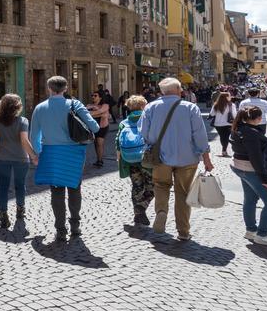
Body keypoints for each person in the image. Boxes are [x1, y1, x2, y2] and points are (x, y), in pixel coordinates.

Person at [139, 77, 213, 240]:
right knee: (183, 192)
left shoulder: (151, 107)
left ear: (161, 92)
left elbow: (143, 134)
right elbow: (200, 136)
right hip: (187, 158)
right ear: (179, 91)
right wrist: (206, 158)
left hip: (160, 158)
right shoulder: (190, 108)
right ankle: (183, 231)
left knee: (161, 186)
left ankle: (162, 211)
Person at [30, 76, 99, 242]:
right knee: (75, 188)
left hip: (51, 153)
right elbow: (95, 127)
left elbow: (34, 136)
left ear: (49, 88)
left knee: (57, 191)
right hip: (74, 153)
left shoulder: (40, 108)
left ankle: (60, 229)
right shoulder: (75, 104)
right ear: (65, 89)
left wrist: (38, 153)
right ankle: (75, 226)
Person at [230, 105, 267, 247]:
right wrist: (265, 179)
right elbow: (255, 158)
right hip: (251, 170)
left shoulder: (238, 128)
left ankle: (251, 230)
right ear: (256, 118)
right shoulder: (251, 133)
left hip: (239, 167)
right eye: (260, 117)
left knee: (250, 199)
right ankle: (262, 234)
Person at [0, 94, 38, 229]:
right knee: (20, 185)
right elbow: (24, 141)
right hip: (20, 159)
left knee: (3, 187)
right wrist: (34, 156)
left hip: (2, 158)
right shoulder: (23, 121)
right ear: (17, 107)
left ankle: (3, 214)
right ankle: (20, 210)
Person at [116, 95, 154, 227]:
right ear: (143, 106)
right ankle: (141, 208)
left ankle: (138, 213)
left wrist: (120, 161)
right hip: (146, 159)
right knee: (152, 186)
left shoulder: (123, 123)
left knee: (137, 186)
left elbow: (117, 144)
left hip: (130, 160)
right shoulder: (148, 120)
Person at [87, 91, 112, 168]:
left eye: (95, 95)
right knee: (95, 144)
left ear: (100, 97)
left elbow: (105, 115)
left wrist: (95, 111)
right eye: (92, 95)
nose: (93, 97)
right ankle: (98, 159)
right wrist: (100, 114)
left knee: (99, 143)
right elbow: (87, 115)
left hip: (103, 127)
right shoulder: (89, 105)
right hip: (93, 127)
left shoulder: (105, 105)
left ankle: (100, 160)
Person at [210, 91, 237, 157]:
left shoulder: (216, 104)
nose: (230, 97)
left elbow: (212, 114)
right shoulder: (231, 105)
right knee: (226, 137)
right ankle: (224, 150)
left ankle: (224, 150)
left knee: (222, 137)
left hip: (218, 124)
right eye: (229, 96)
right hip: (228, 123)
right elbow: (235, 115)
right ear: (227, 97)